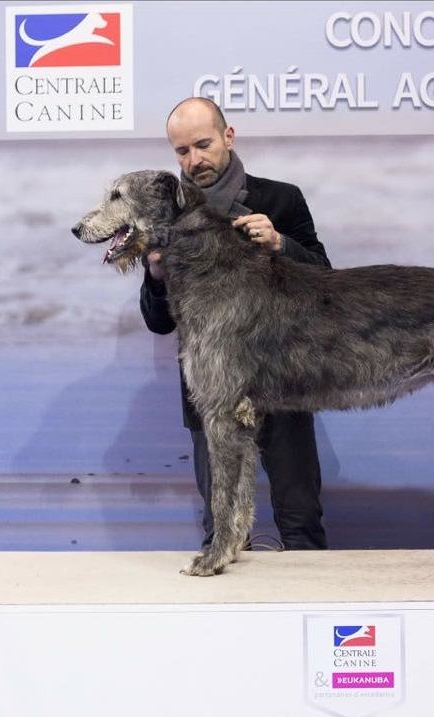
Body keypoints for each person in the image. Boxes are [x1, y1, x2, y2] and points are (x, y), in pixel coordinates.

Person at [139, 96, 329, 550]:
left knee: (300, 520)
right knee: (220, 529)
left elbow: (325, 282)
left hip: (282, 377)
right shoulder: (167, 215)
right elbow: (158, 323)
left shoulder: (281, 199)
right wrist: (155, 275)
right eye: (182, 151)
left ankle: (316, 609)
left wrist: (281, 243)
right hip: (211, 392)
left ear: (228, 136)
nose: (194, 160)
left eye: (202, 145)